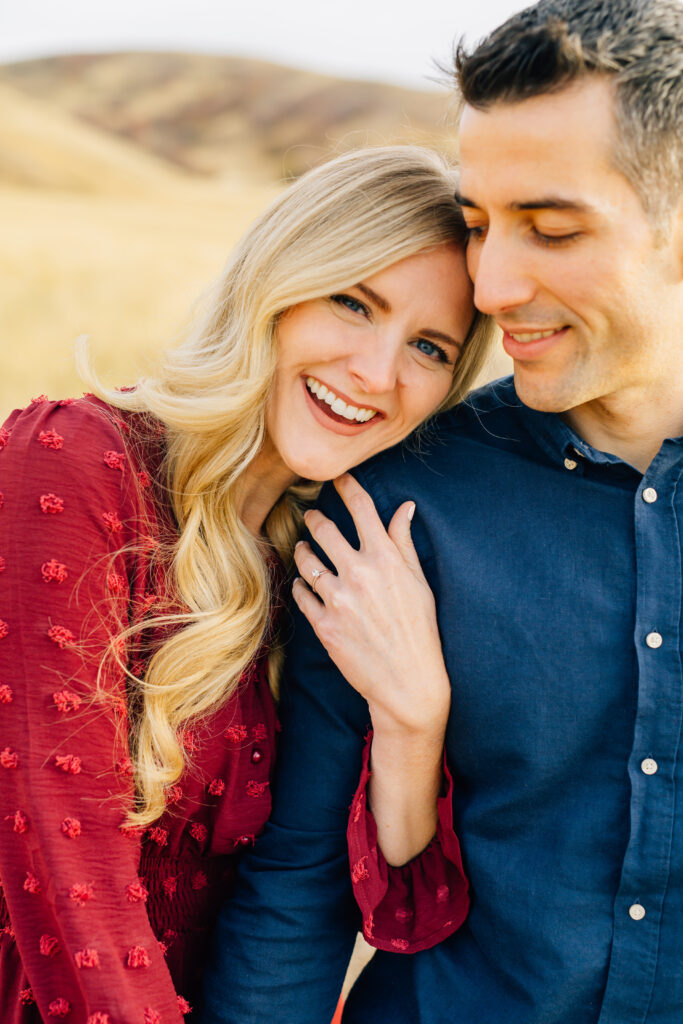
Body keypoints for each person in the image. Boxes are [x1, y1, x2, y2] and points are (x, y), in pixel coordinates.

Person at [200, 0, 683, 1022]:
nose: (492, 284)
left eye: (549, 228)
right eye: (477, 225)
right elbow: (294, 894)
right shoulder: (395, 504)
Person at [0, 146, 495, 1023]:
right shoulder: (74, 461)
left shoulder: (329, 566)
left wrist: (413, 717)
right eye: (352, 301)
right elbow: (59, 858)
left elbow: (401, 911)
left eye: (426, 346)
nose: (375, 374)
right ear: (276, 283)